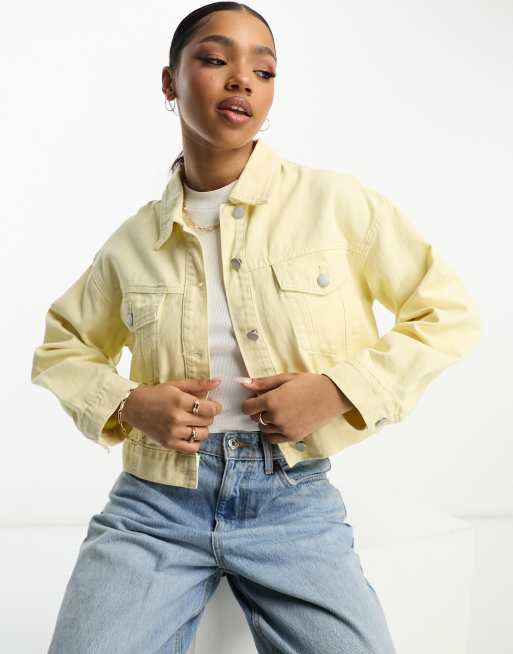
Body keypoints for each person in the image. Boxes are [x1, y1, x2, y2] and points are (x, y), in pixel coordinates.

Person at [31, 3, 481, 653]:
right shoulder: (133, 242)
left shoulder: (335, 204)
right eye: (215, 59)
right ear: (170, 82)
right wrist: (129, 403)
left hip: (291, 500)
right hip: (154, 506)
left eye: (263, 71)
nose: (242, 79)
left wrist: (338, 389)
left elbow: (447, 313)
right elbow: (60, 348)